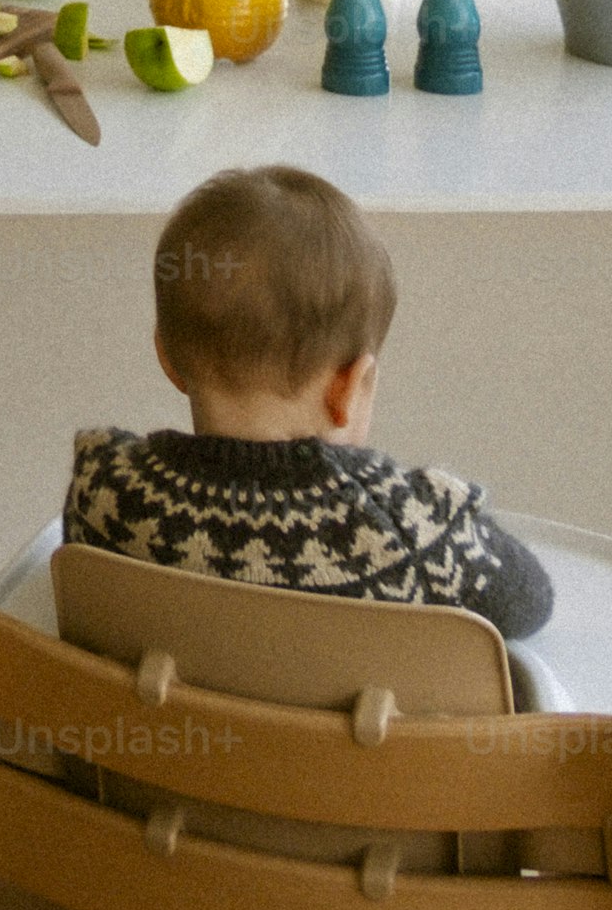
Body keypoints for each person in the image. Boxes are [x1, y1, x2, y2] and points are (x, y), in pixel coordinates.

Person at [64, 162, 551, 639]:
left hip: (160, 724)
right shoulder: (413, 530)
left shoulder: (103, 493)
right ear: (348, 388)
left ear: (167, 358)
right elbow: (531, 601)